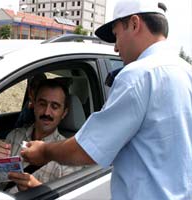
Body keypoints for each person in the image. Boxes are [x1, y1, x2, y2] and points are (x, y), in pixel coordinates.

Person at [21, 0, 192, 199]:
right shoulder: (187, 72)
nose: (116, 48)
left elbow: (87, 150)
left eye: (117, 35)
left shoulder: (137, 75)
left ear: (135, 24)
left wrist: (45, 152)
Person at [0, 79, 81, 192]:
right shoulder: (14, 135)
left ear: (64, 113)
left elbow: (71, 195)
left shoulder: (67, 154)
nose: (47, 112)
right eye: (42, 104)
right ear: (34, 105)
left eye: (55, 106)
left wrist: (37, 189)